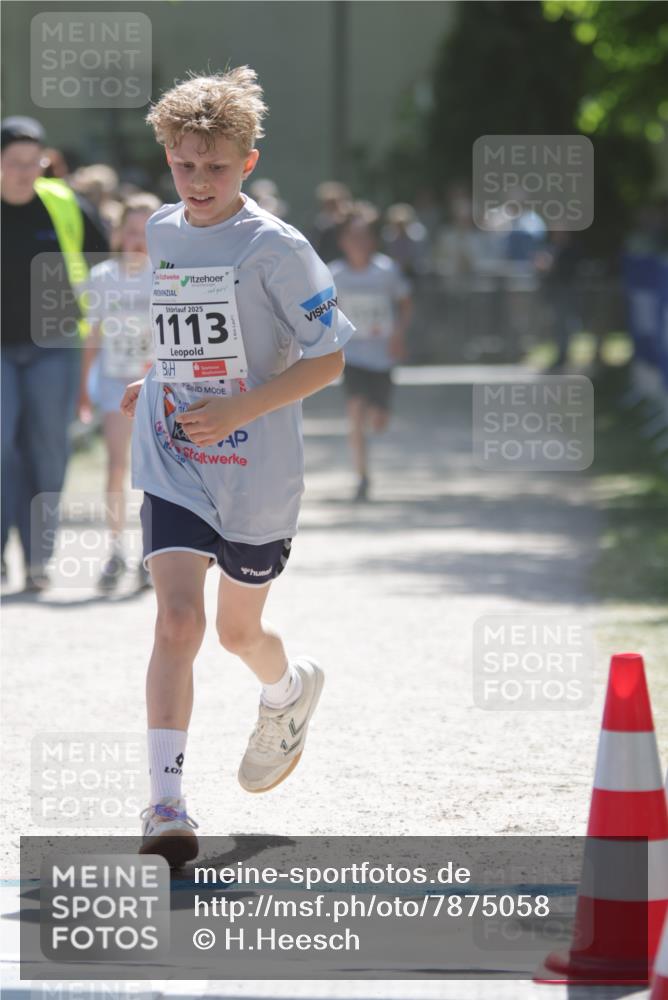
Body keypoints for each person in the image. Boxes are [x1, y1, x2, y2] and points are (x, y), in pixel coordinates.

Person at [120, 66, 354, 866]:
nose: (199, 180)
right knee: (178, 621)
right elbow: (188, 333)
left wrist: (241, 409)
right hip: (177, 451)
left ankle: (286, 694)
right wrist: (156, 378)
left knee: (235, 632)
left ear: (248, 161)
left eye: (216, 166)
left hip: (256, 466)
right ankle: (165, 805)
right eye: (184, 164)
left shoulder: (279, 248)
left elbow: (330, 361)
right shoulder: (160, 230)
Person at [1, 116, 109, 590]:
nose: (25, 172)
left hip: (56, 344)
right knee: (2, 446)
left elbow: (104, 264)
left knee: (48, 449)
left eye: (34, 162)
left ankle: (39, 560)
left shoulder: (64, 204)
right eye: (14, 163)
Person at [79, 193, 161, 591]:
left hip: (157, 384)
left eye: (146, 233)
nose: (138, 241)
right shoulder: (103, 278)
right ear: (118, 234)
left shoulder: (165, 273)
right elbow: (91, 336)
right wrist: (82, 388)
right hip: (114, 382)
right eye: (131, 232)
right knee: (116, 465)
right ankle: (116, 549)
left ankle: (153, 552)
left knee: (154, 471)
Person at [330, 205, 412, 502]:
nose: (359, 244)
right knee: (355, 414)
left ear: (373, 241)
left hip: (382, 355)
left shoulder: (386, 270)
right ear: (343, 242)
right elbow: (327, 311)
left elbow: (404, 303)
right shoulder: (334, 274)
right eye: (353, 238)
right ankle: (362, 476)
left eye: (364, 237)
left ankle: (379, 418)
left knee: (378, 420)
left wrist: (399, 334)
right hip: (352, 355)